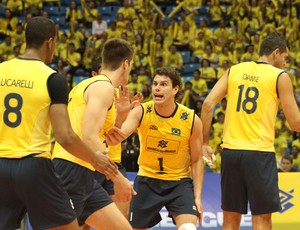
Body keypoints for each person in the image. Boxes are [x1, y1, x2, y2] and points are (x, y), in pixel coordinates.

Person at [0, 16, 118, 230]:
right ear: (50, 42)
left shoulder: (1, 70)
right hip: (33, 165)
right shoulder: (52, 78)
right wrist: (95, 159)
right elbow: (64, 136)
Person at [201, 33, 300, 229]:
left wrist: (204, 143)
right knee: (262, 219)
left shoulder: (235, 70)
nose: (285, 63)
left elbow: (207, 104)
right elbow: (295, 124)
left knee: (230, 220)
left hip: (230, 153)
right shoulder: (280, 76)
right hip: (259, 154)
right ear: (276, 52)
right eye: (285, 58)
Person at [51, 38, 137, 229]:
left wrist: (115, 126)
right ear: (125, 64)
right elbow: (88, 136)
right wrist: (119, 179)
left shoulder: (85, 85)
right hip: (71, 169)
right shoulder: (104, 87)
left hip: (85, 172)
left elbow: (89, 131)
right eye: (131, 65)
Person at [107, 67, 204, 230]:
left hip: (179, 182)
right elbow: (115, 139)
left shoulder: (191, 119)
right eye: (155, 84)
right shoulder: (142, 111)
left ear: (175, 89)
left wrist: (198, 197)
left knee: (188, 228)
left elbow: (196, 160)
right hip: (147, 180)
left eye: (164, 84)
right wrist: (121, 116)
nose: (157, 88)